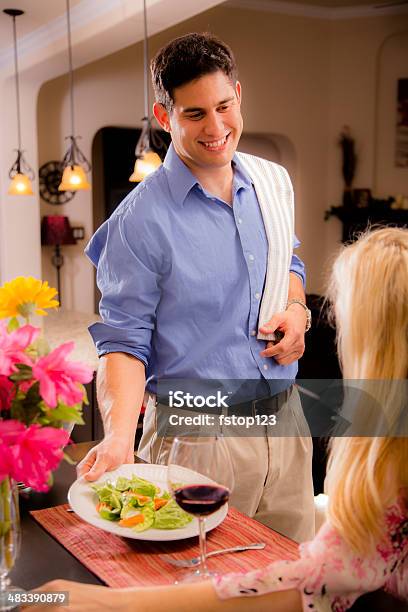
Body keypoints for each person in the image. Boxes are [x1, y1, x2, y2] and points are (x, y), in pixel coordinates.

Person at [33, 227, 408, 611]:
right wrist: (120, 434)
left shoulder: (382, 463)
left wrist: (118, 603)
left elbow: (313, 582)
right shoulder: (383, 447)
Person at [78, 32, 315, 543]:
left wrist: (297, 309)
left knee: (293, 585)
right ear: (165, 117)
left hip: (287, 423)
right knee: (195, 586)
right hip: (201, 440)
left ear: (238, 93)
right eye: (194, 115)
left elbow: (287, 260)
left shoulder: (271, 183)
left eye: (224, 106)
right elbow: (123, 340)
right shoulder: (139, 222)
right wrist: (119, 438)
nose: (216, 127)